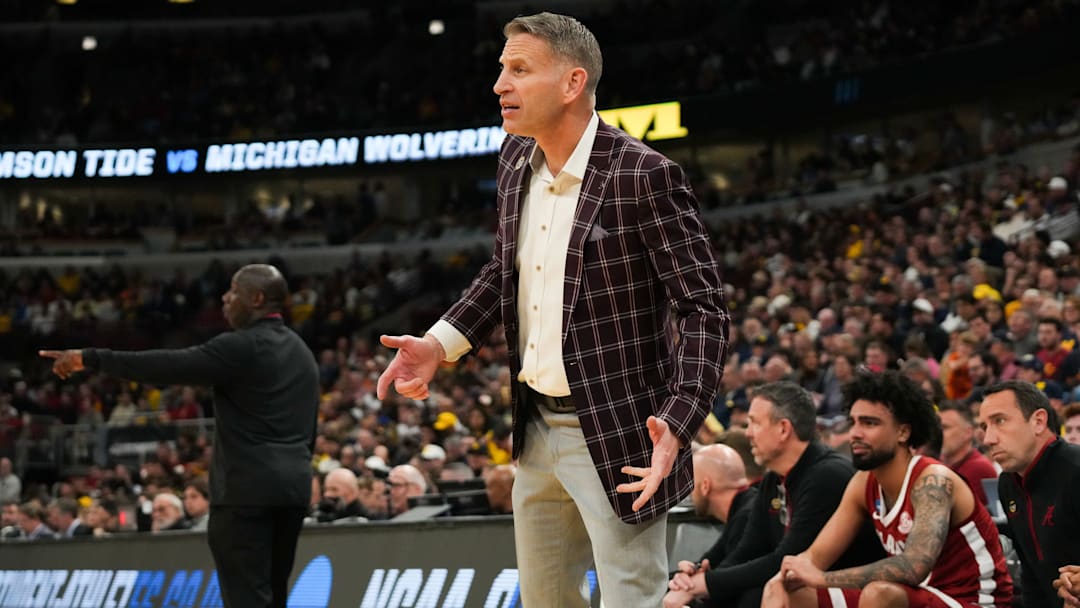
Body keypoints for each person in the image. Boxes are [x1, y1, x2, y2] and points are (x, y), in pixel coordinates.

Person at [375, 12, 728, 607]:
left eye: (518, 70)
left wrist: (680, 417)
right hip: (535, 426)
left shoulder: (644, 174)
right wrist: (440, 343)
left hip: (621, 429)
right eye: (500, 70)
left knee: (632, 601)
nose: (499, 85)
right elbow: (502, 272)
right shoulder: (514, 161)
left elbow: (703, 308)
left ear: (572, 82)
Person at [41, 263, 319, 608]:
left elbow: (168, 365)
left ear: (257, 298)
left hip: (246, 491)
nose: (225, 298)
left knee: (247, 598)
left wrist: (91, 358)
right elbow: (309, 431)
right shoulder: (303, 353)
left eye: (233, 291)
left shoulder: (242, 346)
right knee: (274, 595)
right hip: (292, 489)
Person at [764, 371, 1012, 608]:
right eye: (853, 422)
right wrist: (783, 578)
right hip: (919, 597)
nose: (855, 433)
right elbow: (814, 557)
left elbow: (913, 567)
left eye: (869, 423)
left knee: (880, 593)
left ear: (903, 432)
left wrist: (821, 579)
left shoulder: (933, 481)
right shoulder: (863, 483)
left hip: (971, 600)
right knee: (790, 592)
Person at [668, 383, 883, 608]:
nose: (747, 432)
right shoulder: (774, 479)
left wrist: (702, 585)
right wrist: (696, 576)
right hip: (803, 586)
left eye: (754, 422)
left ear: (783, 429)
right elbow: (747, 550)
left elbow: (786, 559)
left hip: (857, 592)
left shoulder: (827, 476)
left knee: (756, 595)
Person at [979, 380, 1080, 607]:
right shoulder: (1008, 482)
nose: (988, 439)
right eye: (985, 426)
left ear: (1038, 421)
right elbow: (1032, 575)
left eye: (1000, 421)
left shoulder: (1076, 470)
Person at [664, 444, 757, 608]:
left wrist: (685, 590)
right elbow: (709, 564)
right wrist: (684, 577)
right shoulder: (743, 509)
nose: (689, 493)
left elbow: (727, 590)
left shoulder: (747, 516)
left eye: (691, 483)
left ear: (705, 486)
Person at [937, 401, 997, 505]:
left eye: (945, 427)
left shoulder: (978, 468)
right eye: (936, 428)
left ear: (968, 433)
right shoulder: (939, 465)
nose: (938, 433)